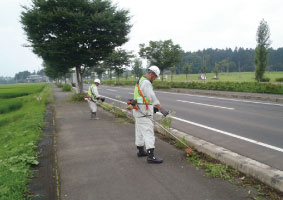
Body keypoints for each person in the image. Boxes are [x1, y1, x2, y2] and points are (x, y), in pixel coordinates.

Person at [133, 66, 169, 164]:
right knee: (149, 133)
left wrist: (153, 108)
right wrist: (161, 108)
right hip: (143, 112)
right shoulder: (146, 82)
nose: (155, 79)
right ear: (152, 74)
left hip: (139, 110)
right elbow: (152, 97)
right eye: (155, 77)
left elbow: (143, 98)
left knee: (139, 131)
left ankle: (140, 151)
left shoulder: (140, 81)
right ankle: (151, 156)